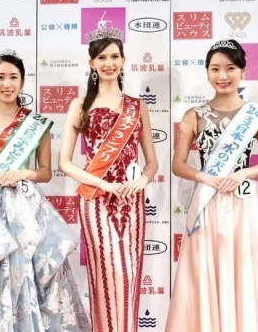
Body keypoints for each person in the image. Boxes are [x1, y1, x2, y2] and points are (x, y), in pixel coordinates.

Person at [0, 49, 91, 331]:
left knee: (29, 278)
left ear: (22, 82)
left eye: (13, 77)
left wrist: (26, 173)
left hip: (25, 208)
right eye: (1, 77)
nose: (7, 83)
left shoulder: (35, 123)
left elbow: (45, 172)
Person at [166, 39, 258, 332]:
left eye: (230, 68)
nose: (222, 76)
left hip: (243, 200)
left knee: (241, 267)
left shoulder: (257, 114)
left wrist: (243, 175)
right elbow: (178, 165)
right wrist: (205, 178)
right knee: (205, 267)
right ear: (206, 72)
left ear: (242, 70)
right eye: (215, 69)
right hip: (208, 200)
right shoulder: (194, 115)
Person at [58, 26, 159, 332]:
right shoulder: (80, 105)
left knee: (129, 278)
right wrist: (103, 184)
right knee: (106, 277)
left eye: (114, 56)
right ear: (92, 63)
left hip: (131, 200)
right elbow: (64, 162)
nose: (109, 63)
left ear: (124, 60)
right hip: (96, 200)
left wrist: (141, 182)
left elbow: (152, 162)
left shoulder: (136, 106)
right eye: (102, 57)